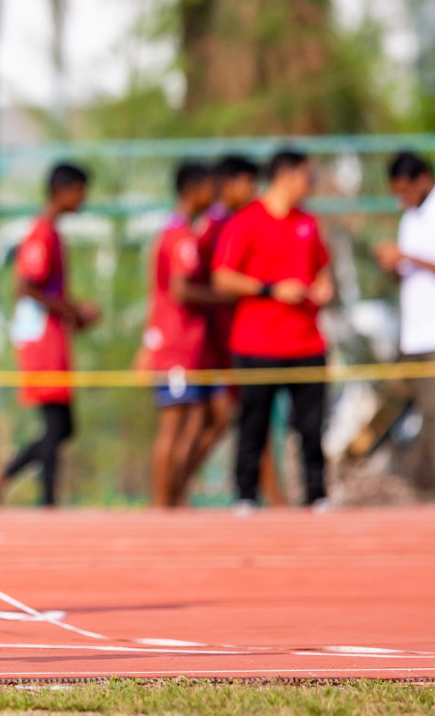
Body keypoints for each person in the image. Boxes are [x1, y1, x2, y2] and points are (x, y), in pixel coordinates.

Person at [213, 149, 334, 511]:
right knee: (253, 424)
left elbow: (323, 267)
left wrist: (324, 287)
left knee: (311, 428)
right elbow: (222, 278)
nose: (310, 184)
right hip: (257, 343)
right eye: (307, 175)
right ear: (287, 175)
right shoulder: (245, 222)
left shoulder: (309, 222)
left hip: (307, 343)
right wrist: (270, 289)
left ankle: (317, 495)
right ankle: (246, 496)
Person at [0, 163, 99, 508]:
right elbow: (27, 286)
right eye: (81, 190)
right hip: (41, 336)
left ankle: (14, 487)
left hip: (53, 333)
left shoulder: (53, 233)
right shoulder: (41, 233)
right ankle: (23, 491)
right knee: (56, 423)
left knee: (61, 425)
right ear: (64, 190)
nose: (84, 199)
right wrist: (71, 312)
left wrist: (74, 312)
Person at [183, 155, 285, 505]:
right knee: (224, 420)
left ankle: (272, 498)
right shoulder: (214, 227)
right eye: (249, 183)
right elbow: (193, 286)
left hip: (233, 338)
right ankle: (172, 492)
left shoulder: (229, 222)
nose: (254, 192)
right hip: (218, 342)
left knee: (234, 419)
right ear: (231, 184)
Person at [140, 162, 223, 508]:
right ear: (193, 189)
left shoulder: (181, 231)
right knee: (173, 426)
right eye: (209, 188)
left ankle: (175, 497)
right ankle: (162, 506)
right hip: (176, 345)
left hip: (191, 345)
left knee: (195, 422)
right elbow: (180, 289)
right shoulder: (180, 237)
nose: (214, 194)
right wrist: (225, 297)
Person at [372, 150, 435, 495]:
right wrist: (396, 266)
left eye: (405, 190)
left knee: (432, 414)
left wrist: (406, 256)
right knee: (390, 408)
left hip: (433, 338)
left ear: (423, 178)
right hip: (412, 335)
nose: (402, 199)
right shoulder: (409, 217)